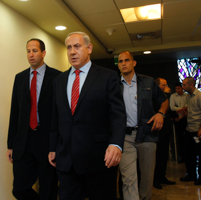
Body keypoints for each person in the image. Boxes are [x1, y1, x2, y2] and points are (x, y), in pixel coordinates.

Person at [48, 32, 126, 200]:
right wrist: (53, 147)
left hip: (98, 159)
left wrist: (116, 144)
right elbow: (56, 118)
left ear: (89, 48)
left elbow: (117, 115)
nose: (72, 52)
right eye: (69, 47)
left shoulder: (107, 76)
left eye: (77, 46)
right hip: (66, 160)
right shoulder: (58, 80)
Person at [6, 39, 61, 200]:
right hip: (24, 141)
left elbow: (60, 113)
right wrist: (11, 144)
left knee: (48, 189)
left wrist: (58, 144)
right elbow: (14, 112)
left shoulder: (57, 77)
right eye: (28, 51)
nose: (31, 55)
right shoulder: (20, 78)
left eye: (35, 51)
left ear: (43, 53)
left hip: (47, 142)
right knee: (19, 189)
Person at [117, 51, 168, 199]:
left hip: (147, 134)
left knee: (147, 177)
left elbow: (164, 101)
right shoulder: (114, 85)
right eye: (120, 61)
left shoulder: (148, 82)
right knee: (128, 178)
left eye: (127, 60)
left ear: (134, 63)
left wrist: (160, 114)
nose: (124, 63)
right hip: (125, 137)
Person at [180, 77, 201, 185]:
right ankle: (191, 174)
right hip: (190, 128)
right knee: (189, 153)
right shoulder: (189, 96)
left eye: (184, 85)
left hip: (199, 129)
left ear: (191, 85)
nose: (182, 87)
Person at [153, 78, 176, 189]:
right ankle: (155, 179)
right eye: (164, 85)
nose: (167, 87)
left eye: (166, 85)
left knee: (163, 155)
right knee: (157, 156)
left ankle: (162, 176)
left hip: (166, 130)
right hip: (157, 131)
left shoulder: (167, 97)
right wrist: (165, 94)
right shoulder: (154, 96)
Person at [169, 82, 188, 163]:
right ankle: (181, 156)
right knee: (179, 138)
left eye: (178, 88)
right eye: (176, 89)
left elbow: (188, 106)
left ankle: (187, 155)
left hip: (186, 118)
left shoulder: (187, 96)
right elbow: (172, 107)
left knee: (187, 137)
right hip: (177, 118)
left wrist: (183, 110)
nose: (177, 90)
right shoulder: (173, 96)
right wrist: (181, 109)